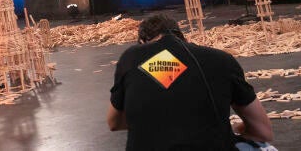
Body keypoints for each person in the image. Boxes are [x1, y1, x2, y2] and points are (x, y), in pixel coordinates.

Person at [106, 13, 273, 150]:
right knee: (265, 148)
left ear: (142, 42)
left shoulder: (131, 57)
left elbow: (114, 123)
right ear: (183, 37)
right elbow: (263, 132)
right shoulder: (221, 59)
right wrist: (237, 128)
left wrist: (156, 119)